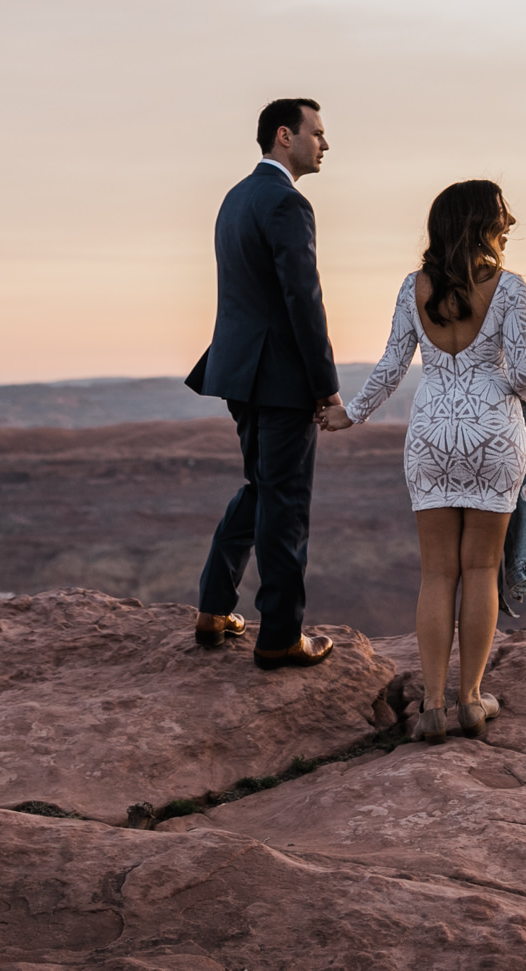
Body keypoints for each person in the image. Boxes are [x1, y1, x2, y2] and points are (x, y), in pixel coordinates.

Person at [324, 179, 526, 740]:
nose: (509, 223)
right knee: (481, 571)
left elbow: (394, 365)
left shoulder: (413, 287)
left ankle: (433, 709)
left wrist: (353, 413)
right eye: (501, 214)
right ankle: (471, 700)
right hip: (493, 434)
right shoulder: (509, 288)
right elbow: (521, 374)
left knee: (437, 572)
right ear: (479, 222)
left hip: (432, 437)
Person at [185, 98, 349, 668]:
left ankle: (212, 608)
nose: (325, 145)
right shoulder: (286, 202)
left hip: (238, 371)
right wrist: (326, 385)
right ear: (286, 136)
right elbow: (302, 300)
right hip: (279, 377)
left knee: (259, 488)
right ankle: (280, 636)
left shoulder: (235, 198)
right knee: (285, 504)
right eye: (318, 134)